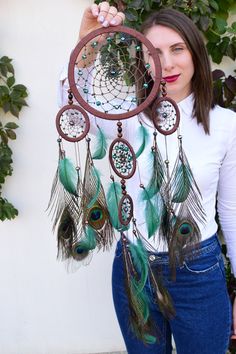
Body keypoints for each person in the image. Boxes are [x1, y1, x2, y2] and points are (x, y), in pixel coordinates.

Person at [59, 2, 236, 353]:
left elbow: (232, 210)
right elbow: (72, 112)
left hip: (199, 272)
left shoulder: (226, 126)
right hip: (132, 271)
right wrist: (87, 42)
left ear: (196, 53)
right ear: (142, 59)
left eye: (177, 49)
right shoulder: (123, 117)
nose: (166, 63)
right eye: (154, 52)